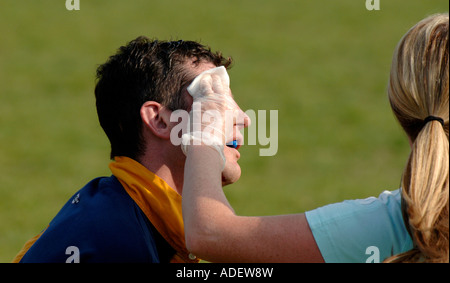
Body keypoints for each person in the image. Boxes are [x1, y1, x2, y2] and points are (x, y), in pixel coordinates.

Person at [181, 13, 449, 263]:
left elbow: (210, 233)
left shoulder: (396, 222)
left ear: (398, 103)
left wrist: (205, 133)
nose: (244, 118)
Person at [12, 37, 248, 262]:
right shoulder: (119, 244)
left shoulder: (114, 213)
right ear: (160, 121)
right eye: (215, 103)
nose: (243, 118)